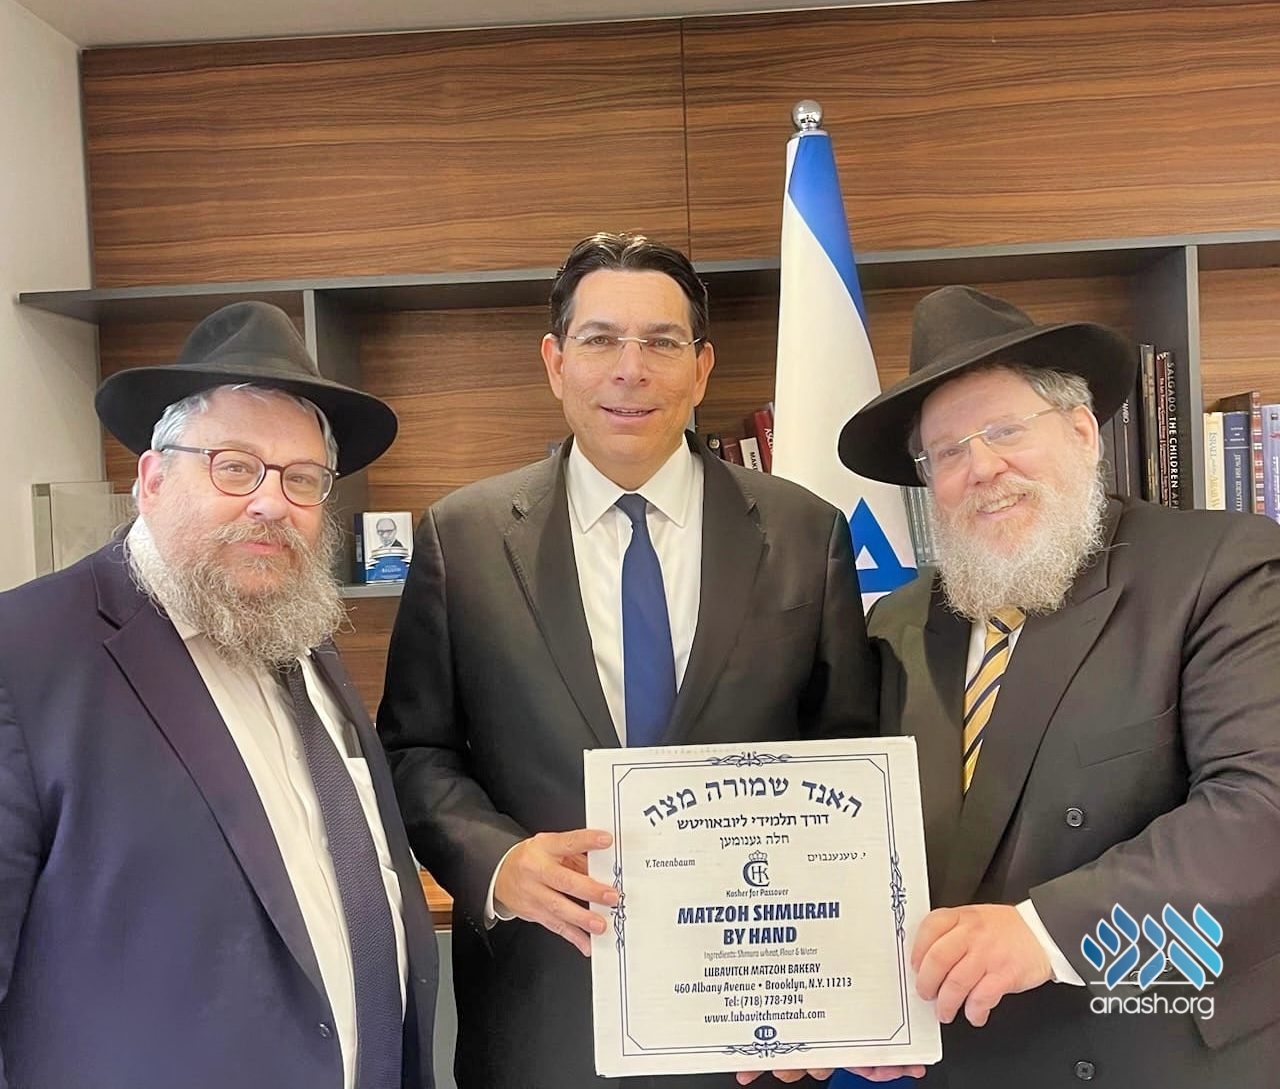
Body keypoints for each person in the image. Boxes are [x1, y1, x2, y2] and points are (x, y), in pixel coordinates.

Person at [378, 231, 879, 1089]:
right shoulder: (462, 539)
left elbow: (849, 753)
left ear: (701, 368)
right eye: (601, 339)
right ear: (555, 362)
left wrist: (824, 983)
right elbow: (414, 751)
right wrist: (499, 862)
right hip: (545, 1022)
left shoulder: (807, 532)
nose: (630, 370)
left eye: (662, 342)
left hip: (756, 1020)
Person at [814, 285, 1280, 1088]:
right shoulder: (898, 623)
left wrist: (1043, 931)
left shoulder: (1219, 567)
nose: (981, 468)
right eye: (946, 453)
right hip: (971, 1058)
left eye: (1004, 430)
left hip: (1158, 1055)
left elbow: (1261, 808)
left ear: (1081, 431)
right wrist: (862, 1000)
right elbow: (865, 837)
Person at [0, 301, 438, 1089]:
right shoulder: (25, 655)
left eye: (301, 479)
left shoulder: (298, 638)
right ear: (152, 478)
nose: (271, 502)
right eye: (234, 466)